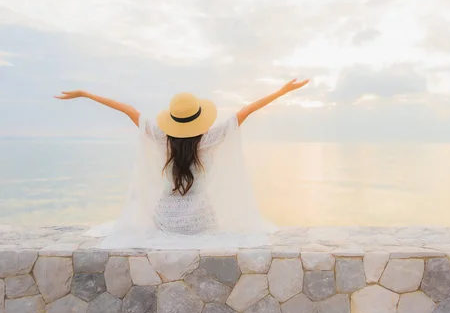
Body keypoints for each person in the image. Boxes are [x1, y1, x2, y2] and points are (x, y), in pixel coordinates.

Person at [54, 78, 309, 248]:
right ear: (199, 117)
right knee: (212, 215)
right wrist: (282, 91)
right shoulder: (211, 138)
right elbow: (247, 110)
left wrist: (85, 94)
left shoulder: (160, 137)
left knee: (157, 211)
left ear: (172, 118)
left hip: (166, 220)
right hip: (201, 221)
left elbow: (127, 109)